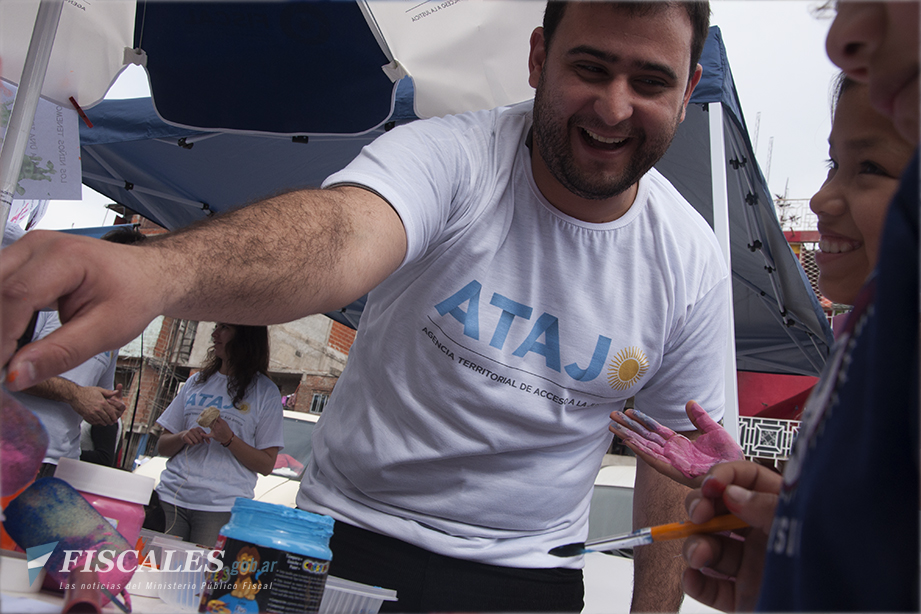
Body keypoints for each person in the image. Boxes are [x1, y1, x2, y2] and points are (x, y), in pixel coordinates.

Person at [0, 2, 724, 610]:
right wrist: (161, 270)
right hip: (341, 539)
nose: (614, 107)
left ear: (687, 89)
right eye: (590, 68)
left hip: (533, 576)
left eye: (650, 81)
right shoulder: (454, 157)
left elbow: (676, 459)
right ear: (538, 59)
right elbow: (342, 233)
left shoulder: (690, 261)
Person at [678, 3, 919, 612]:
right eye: (835, 163)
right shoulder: (871, 330)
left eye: (871, 168)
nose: (820, 198)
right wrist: (796, 551)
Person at [155, 324, 284, 547]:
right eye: (216, 326)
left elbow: (266, 465)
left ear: (246, 336)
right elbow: (162, 446)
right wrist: (182, 437)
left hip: (221, 508)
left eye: (224, 328)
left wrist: (229, 439)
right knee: (156, 567)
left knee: (203, 570)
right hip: (171, 499)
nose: (214, 334)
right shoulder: (196, 382)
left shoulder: (265, 391)